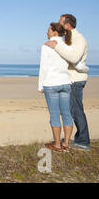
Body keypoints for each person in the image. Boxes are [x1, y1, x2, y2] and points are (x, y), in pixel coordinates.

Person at [45, 14, 90, 151]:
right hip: (69, 80)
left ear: (67, 25)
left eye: (60, 23)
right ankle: (73, 140)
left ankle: (83, 141)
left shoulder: (79, 38)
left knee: (76, 111)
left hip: (75, 80)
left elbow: (74, 58)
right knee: (71, 111)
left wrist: (56, 46)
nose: (58, 25)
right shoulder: (68, 39)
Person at [39, 22, 74, 152]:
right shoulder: (66, 45)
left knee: (54, 115)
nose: (46, 32)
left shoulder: (46, 46)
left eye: (48, 30)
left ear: (54, 32)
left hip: (52, 83)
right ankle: (66, 144)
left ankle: (57, 145)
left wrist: (40, 85)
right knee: (66, 114)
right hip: (65, 82)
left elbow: (44, 67)